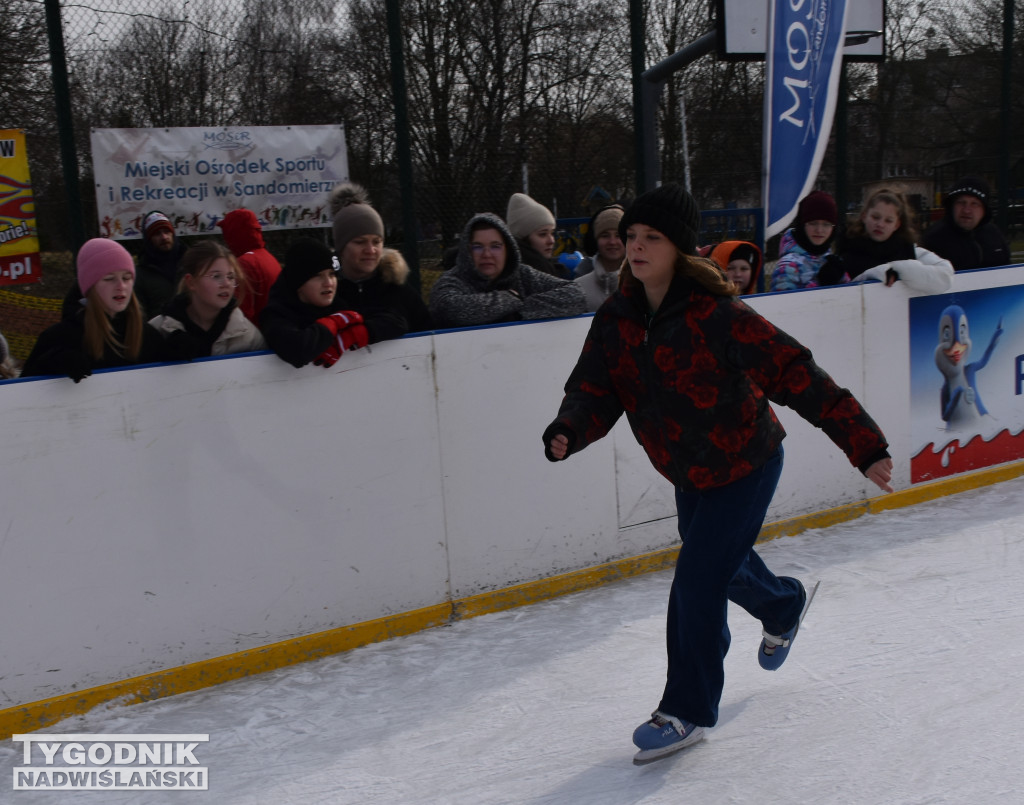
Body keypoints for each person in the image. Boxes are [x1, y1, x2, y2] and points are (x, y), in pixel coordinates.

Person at [540, 183, 893, 764]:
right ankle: (782, 606)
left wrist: (864, 445)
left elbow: (796, 373)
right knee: (721, 569)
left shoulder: (718, 315)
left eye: (652, 238)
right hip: (688, 470)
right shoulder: (616, 318)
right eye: (631, 237)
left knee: (696, 581)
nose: (637, 247)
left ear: (680, 248)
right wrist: (571, 428)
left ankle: (686, 710)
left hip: (746, 463)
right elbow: (595, 389)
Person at [21, 238, 168, 381]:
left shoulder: (147, 335)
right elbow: (17, 394)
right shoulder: (62, 337)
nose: (121, 286)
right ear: (90, 287)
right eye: (109, 278)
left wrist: (178, 350)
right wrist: (50, 363)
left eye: (127, 278)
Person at [429, 212, 586, 328]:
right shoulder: (453, 280)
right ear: (467, 251)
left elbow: (576, 294)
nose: (487, 254)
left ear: (508, 250)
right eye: (478, 247)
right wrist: (508, 299)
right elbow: (449, 308)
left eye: (495, 246)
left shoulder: (523, 274)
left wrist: (520, 309)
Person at [328, 182, 433, 341]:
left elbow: (432, 340)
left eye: (376, 242)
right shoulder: (326, 293)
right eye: (360, 242)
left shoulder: (400, 292)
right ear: (341, 247)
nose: (371, 250)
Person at [816, 188, 953, 294]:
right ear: (864, 216)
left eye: (888, 220)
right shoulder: (846, 251)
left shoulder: (910, 250)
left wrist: (901, 270)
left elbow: (944, 277)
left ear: (897, 225)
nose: (880, 224)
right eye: (875, 217)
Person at [260, 237, 368, 369]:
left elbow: (393, 317)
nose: (328, 283)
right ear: (298, 283)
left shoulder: (341, 302)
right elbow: (297, 351)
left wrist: (361, 332)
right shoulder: (276, 314)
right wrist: (332, 323)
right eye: (318, 275)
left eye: (332, 274)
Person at [148, 240, 267, 359]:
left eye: (230, 277)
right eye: (216, 276)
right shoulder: (157, 331)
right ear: (191, 282)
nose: (226, 284)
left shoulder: (248, 335)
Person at [921, 175, 1011, 271]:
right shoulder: (933, 239)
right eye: (961, 202)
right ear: (952, 205)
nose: (966, 210)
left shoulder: (993, 234)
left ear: (984, 210)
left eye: (974, 204)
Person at [217, 208, 282, 326]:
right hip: (272, 330)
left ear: (233, 233)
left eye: (227, 232)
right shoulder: (266, 256)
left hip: (256, 336)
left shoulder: (245, 263)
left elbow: (241, 312)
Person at [768, 191, 838, 291]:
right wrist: (821, 284)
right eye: (813, 223)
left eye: (826, 224)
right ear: (802, 225)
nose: (819, 230)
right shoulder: (787, 267)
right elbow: (784, 304)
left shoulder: (830, 260)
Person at [134, 211, 189, 317]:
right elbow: (140, 315)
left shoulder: (190, 263)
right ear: (149, 240)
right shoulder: (141, 274)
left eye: (167, 231)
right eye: (157, 233)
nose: (164, 237)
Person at [506, 193, 570, 279]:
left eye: (552, 233)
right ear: (523, 238)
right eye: (543, 234)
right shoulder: (534, 273)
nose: (551, 241)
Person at [575, 204, 626, 311]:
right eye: (605, 235)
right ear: (596, 240)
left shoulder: (644, 283)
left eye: (618, 235)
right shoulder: (579, 287)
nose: (612, 242)